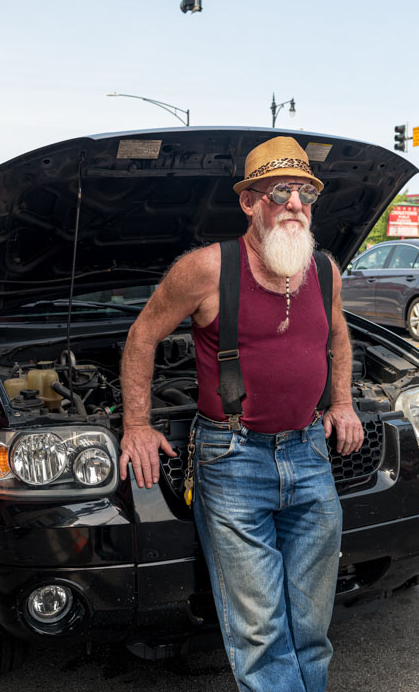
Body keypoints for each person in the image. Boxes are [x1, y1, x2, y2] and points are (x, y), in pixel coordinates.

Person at [118, 135, 364, 692]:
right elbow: (142, 336)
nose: (296, 204)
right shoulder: (206, 269)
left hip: (308, 453)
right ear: (250, 202)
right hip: (232, 459)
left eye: (305, 192)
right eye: (281, 192)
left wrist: (343, 402)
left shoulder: (323, 269)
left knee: (312, 625)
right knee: (259, 631)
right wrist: (137, 424)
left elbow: (340, 339)